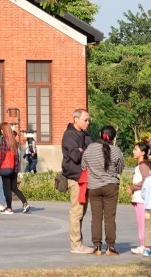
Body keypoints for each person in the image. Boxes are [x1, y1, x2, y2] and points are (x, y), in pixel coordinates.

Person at [83, 124, 125, 255]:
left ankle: (97, 247)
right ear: (113, 137)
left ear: (101, 134)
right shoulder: (116, 150)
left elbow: (83, 166)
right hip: (111, 186)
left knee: (96, 217)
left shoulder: (90, 148)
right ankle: (111, 247)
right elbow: (120, 169)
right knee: (109, 218)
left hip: (94, 187)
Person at [61, 108, 93, 254]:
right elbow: (75, 156)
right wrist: (82, 152)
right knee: (76, 211)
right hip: (75, 178)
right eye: (85, 120)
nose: (88, 122)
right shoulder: (69, 135)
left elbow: (91, 153)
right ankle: (76, 245)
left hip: (86, 176)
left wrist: (83, 151)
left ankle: (79, 241)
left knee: (82, 211)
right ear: (76, 119)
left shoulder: (86, 135)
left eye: (88, 120)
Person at [0, 121, 28, 214]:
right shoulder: (14, 141)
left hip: (6, 168)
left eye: (2, 129)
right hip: (14, 168)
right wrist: (15, 167)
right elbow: (17, 157)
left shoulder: (5, 140)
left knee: (6, 188)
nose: (1, 131)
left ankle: (9, 208)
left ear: (4, 130)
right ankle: (25, 203)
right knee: (14, 187)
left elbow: (2, 155)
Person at [131, 142, 151, 254]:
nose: (133, 151)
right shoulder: (141, 165)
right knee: (142, 223)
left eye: (136, 149)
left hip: (141, 199)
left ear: (143, 153)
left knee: (142, 223)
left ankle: (143, 245)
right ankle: (144, 245)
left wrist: (133, 187)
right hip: (139, 198)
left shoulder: (143, 166)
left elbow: (146, 180)